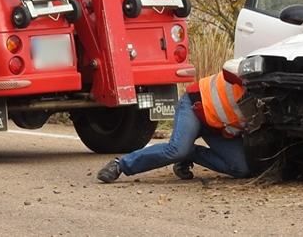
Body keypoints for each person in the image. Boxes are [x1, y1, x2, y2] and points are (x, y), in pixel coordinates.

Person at [97, 63, 250, 183]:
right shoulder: (255, 72)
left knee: (241, 169)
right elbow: (231, 66)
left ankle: (189, 153)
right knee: (176, 150)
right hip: (196, 106)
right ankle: (120, 164)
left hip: (218, 127)